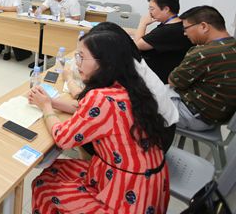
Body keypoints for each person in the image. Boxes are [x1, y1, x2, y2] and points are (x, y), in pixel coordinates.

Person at [29, 31, 169, 213]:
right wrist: (50, 101)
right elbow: (86, 109)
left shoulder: (100, 97)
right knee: (56, 167)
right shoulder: (129, 84)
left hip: (126, 195)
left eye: (81, 57)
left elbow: (63, 138)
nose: (77, 64)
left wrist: (46, 107)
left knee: (43, 185)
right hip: (148, 185)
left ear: (104, 62)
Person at [62, 22, 178, 152]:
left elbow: (85, 103)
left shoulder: (120, 73)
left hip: (155, 139)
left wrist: (69, 79)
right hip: (157, 129)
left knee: (86, 134)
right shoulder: (129, 62)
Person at [168, 5, 236, 131]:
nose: (185, 33)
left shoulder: (204, 53)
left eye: (186, 28)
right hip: (216, 117)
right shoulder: (231, 45)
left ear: (203, 26)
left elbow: (173, 81)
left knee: (137, 101)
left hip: (194, 116)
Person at [134, 0, 193, 83]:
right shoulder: (177, 25)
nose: (150, 13)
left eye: (152, 9)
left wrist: (142, 23)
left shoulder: (168, 30)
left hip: (157, 79)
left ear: (166, 9)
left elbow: (137, 45)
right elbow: (150, 38)